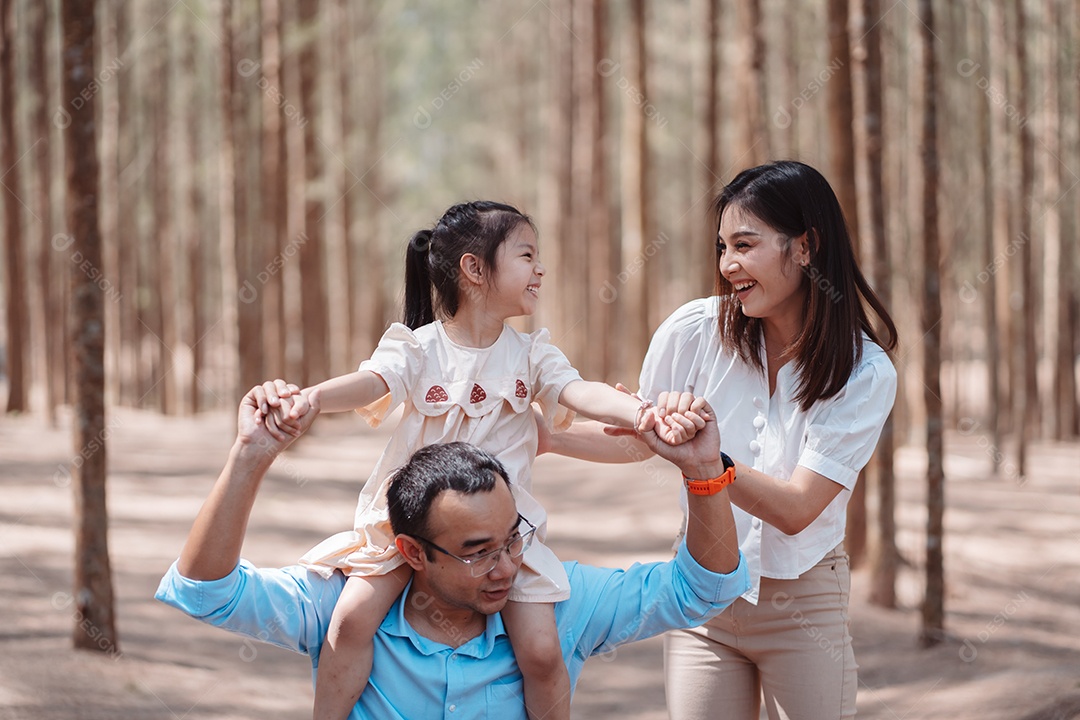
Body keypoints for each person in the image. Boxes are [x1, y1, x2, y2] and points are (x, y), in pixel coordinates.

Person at [254, 201, 706, 720]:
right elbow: (371, 382)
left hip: (501, 538)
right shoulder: (417, 348)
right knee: (351, 622)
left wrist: (644, 412)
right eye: (526, 255)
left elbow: (581, 392)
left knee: (540, 650)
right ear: (474, 269)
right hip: (414, 525)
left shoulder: (533, 354)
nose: (540, 270)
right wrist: (312, 398)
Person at [155, 385, 750, 719]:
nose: (506, 567)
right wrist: (249, 457)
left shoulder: (559, 604)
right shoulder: (340, 607)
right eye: (476, 552)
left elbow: (703, 589)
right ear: (412, 552)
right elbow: (207, 592)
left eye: (512, 539)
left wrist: (702, 472)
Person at [545, 161, 898, 719]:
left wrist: (708, 462)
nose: (728, 265)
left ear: (805, 247)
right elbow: (643, 440)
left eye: (745, 245)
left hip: (803, 603)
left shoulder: (863, 371)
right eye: (721, 247)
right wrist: (548, 439)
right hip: (700, 594)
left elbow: (798, 507)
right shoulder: (693, 331)